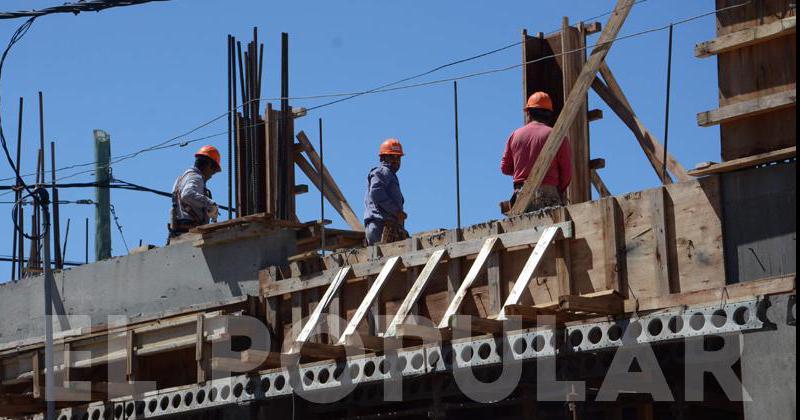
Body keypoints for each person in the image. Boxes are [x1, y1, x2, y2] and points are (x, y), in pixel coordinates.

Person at [500, 91, 572, 213]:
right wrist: (556, 188)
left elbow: (505, 168)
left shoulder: (515, 135)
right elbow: (566, 172)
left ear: (528, 113)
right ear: (549, 115)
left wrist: (523, 169)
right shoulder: (557, 136)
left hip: (521, 196)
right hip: (548, 194)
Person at [168, 145, 221, 243]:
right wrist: (211, 204)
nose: (211, 176)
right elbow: (187, 194)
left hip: (179, 232)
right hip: (189, 233)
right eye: (213, 171)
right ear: (209, 165)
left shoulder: (182, 178)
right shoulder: (196, 177)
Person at [363, 138, 408, 245]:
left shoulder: (389, 174)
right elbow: (376, 193)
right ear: (383, 157)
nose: (396, 161)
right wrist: (396, 211)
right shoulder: (382, 172)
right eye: (393, 156)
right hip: (381, 227)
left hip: (388, 228)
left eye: (398, 158)